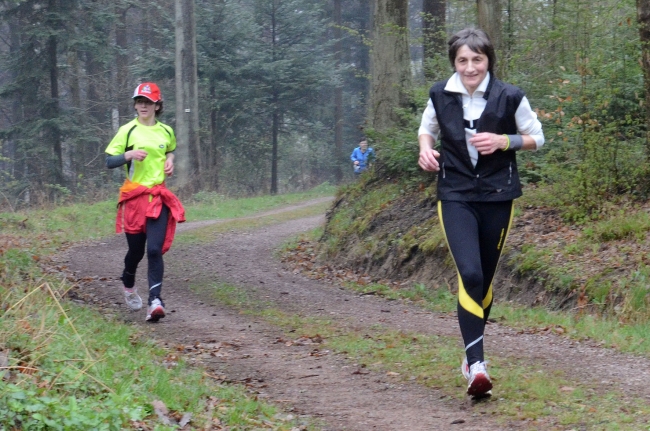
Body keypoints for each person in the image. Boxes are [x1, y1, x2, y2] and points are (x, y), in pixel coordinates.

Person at [417, 28, 544, 397]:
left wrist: (505, 141)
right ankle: (477, 367)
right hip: (454, 193)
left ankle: (470, 353)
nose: (470, 67)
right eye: (462, 60)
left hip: (498, 195)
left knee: (484, 281)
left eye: (477, 59)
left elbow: (538, 136)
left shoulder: (510, 96)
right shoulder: (440, 94)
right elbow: (427, 131)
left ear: (488, 60)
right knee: (469, 272)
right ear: (454, 62)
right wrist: (425, 149)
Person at [105, 82, 185, 322]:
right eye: (139, 101)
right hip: (135, 198)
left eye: (148, 102)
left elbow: (170, 149)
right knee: (136, 251)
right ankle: (128, 281)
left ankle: (155, 302)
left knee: (154, 250)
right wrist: (128, 155)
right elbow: (110, 161)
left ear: (157, 105)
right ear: (135, 104)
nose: (143, 105)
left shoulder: (166, 131)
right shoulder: (127, 130)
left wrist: (170, 160)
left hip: (158, 198)